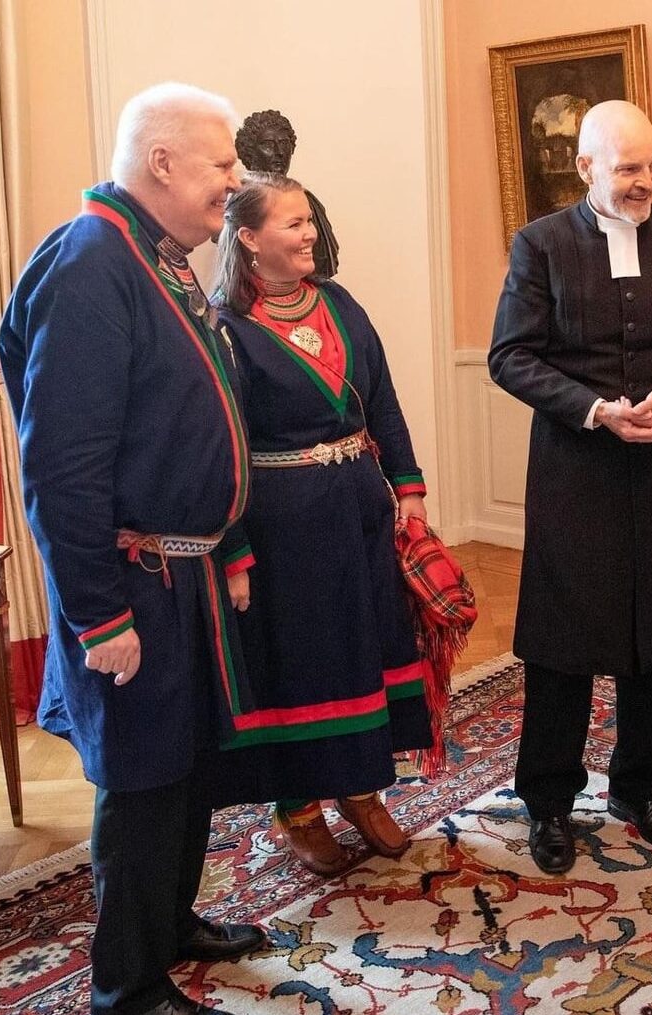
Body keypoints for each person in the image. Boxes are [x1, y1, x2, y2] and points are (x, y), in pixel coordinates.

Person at [0, 84, 263, 1015]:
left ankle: (172, 922)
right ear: (162, 163)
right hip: (130, 586)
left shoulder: (155, 256)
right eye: (222, 164)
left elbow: (195, 417)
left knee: (181, 766)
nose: (235, 184)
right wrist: (98, 615)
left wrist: (223, 542)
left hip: (182, 572)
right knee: (143, 787)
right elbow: (62, 469)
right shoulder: (90, 264)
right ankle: (127, 991)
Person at [488, 100, 652, 875]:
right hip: (576, 468)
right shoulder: (541, 245)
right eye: (630, 168)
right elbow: (510, 356)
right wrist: (594, 409)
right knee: (563, 643)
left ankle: (641, 788)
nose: (646, 182)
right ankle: (550, 803)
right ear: (586, 167)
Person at [210, 171, 433, 874]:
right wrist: (236, 546)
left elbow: (384, 401)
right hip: (283, 528)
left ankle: (361, 789)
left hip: (359, 511)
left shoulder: (340, 303)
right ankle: (300, 807)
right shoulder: (224, 327)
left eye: (310, 220)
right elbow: (223, 449)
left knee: (361, 648)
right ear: (247, 238)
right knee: (302, 665)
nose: (310, 234)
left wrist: (408, 489)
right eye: (292, 224)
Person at [234, 109, 339, 279]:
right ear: (250, 151)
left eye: (284, 144)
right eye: (268, 145)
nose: (279, 152)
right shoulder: (235, 206)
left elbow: (324, 263)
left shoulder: (308, 201)